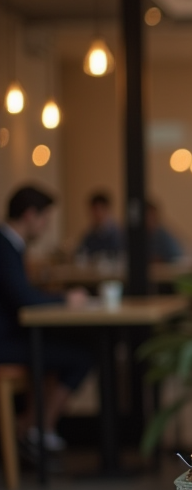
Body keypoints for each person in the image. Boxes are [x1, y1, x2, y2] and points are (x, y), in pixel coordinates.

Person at [0, 186, 92, 452]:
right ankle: (35, 428)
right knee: (79, 354)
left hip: (12, 335)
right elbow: (23, 298)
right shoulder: (6, 247)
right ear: (30, 215)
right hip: (5, 342)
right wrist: (65, 299)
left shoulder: (11, 246)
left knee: (65, 350)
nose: (45, 226)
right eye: (45, 219)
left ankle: (33, 426)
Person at [76, 191, 123, 260]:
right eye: (94, 210)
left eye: (100, 209)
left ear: (107, 209)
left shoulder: (117, 233)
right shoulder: (90, 234)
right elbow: (81, 251)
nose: (97, 214)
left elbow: (119, 255)